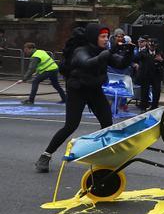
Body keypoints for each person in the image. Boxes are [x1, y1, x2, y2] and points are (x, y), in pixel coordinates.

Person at [35, 24, 125, 173]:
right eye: (102, 36)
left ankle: (105, 156)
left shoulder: (103, 50)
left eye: (106, 37)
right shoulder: (80, 51)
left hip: (94, 89)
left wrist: (127, 52)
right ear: (93, 37)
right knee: (71, 125)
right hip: (77, 90)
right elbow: (89, 63)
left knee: (107, 123)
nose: (105, 39)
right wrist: (110, 52)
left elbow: (121, 64)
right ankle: (45, 155)